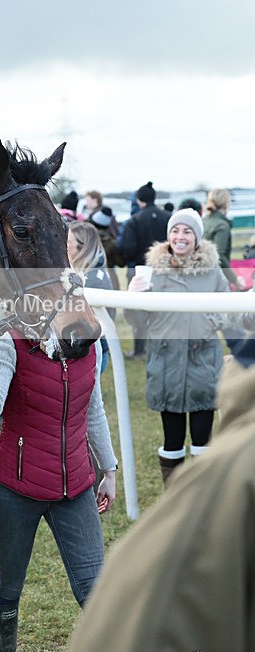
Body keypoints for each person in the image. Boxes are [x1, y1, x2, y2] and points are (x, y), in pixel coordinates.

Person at [51, 346, 255, 652]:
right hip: (28, 482)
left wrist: (108, 469)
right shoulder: (230, 488)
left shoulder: (229, 485)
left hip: (79, 483)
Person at [0, 329, 117, 652]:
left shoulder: (89, 342)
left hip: (76, 487)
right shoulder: (9, 341)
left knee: (94, 590)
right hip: (14, 489)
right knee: (9, 589)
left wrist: (110, 470)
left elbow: (93, 409)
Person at [126, 209, 230, 484]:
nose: (180, 237)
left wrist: (208, 320)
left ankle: (202, 498)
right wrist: (133, 297)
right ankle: (175, 500)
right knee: (171, 438)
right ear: (168, 235)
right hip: (166, 366)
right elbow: (136, 320)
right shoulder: (152, 272)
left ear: (197, 237)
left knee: (203, 439)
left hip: (203, 365)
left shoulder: (213, 271)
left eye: (186, 231)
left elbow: (226, 309)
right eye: (175, 231)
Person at [120, 181, 170, 359]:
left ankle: (139, 350)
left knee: (137, 310)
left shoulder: (134, 220)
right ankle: (158, 347)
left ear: (140, 200)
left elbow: (128, 248)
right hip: (164, 270)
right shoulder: (167, 217)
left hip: (139, 271)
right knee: (162, 311)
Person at [67, 221, 114, 372]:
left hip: (91, 352)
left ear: (82, 246)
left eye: (68, 241)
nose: (64, 245)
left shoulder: (93, 279)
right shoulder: (84, 273)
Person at [202, 188, 245, 290]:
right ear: (227, 204)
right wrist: (235, 279)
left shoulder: (203, 221)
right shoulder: (222, 226)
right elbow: (219, 256)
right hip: (216, 277)